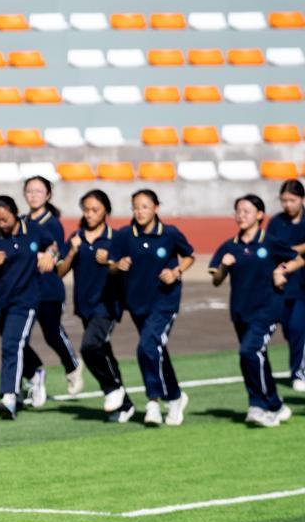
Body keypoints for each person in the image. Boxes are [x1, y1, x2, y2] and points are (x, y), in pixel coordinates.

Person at [210, 195, 302, 427]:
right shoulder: (229, 246)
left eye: (247, 211)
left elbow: (298, 259)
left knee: (249, 351)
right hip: (241, 311)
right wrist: (223, 267)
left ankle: (262, 405)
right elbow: (216, 280)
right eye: (238, 211)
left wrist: (281, 270)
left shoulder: (270, 242)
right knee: (252, 358)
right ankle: (273, 405)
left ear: (260, 215)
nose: (241, 215)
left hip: (267, 309)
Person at [107, 190, 195, 427]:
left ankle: (153, 402)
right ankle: (175, 397)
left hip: (165, 302)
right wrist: (118, 265)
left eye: (145, 206)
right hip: (137, 304)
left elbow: (189, 256)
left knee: (146, 347)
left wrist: (176, 271)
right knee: (155, 350)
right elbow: (111, 265)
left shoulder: (170, 233)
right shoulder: (124, 235)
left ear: (156, 208)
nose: (140, 211)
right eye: (135, 207)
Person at [0, 195, 58, 420]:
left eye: (5, 220)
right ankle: (35, 372)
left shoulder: (34, 230)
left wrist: (50, 254)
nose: (1, 224)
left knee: (11, 345)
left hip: (26, 300)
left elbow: (52, 244)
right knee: (15, 343)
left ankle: (9, 396)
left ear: (15, 213)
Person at [57, 190, 135, 422]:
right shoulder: (76, 237)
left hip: (108, 304)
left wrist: (110, 261)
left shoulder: (116, 238)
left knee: (90, 347)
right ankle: (125, 404)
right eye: (86, 210)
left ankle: (113, 389)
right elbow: (59, 272)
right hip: (85, 305)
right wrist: (72, 251)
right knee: (104, 353)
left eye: (95, 210)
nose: (89, 214)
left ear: (106, 212)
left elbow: (125, 268)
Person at [22, 176, 83, 395]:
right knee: (17, 337)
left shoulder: (52, 223)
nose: (33, 195)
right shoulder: (21, 222)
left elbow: (54, 252)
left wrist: (45, 254)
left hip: (48, 289)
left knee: (52, 333)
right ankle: (32, 373)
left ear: (48, 195)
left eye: (38, 191)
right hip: (25, 289)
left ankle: (72, 366)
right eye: (29, 191)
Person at [265, 179, 305, 391]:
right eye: (284, 200)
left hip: (303, 285)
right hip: (282, 285)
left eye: (292, 200)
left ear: (302, 199)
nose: (288, 205)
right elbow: (270, 248)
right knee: (289, 330)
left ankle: (298, 373)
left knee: (299, 327)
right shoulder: (276, 223)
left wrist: (289, 249)